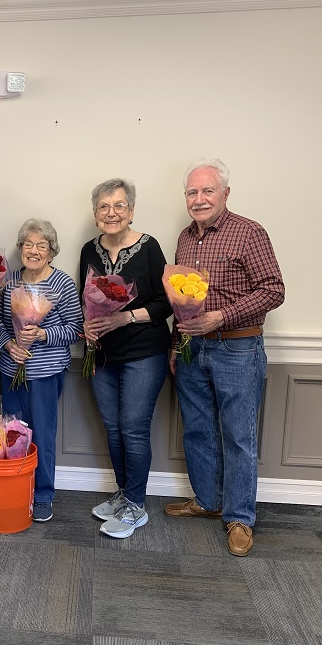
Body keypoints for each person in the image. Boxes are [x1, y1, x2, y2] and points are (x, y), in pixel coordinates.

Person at [164, 159, 284, 556]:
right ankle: (207, 501)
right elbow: (179, 300)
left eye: (207, 191)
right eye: (192, 193)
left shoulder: (249, 232)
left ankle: (239, 518)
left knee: (238, 435)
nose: (199, 199)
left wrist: (222, 315)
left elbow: (274, 290)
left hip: (238, 346)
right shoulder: (184, 237)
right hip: (191, 349)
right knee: (198, 429)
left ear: (225, 194)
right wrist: (174, 345)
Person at [80, 178, 172, 539]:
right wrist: (88, 328)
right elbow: (85, 294)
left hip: (143, 352)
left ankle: (136, 504)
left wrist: (125, 316)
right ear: (95, 213)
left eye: (119, 205)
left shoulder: (149, 248)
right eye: (104, 206)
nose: (112, 213)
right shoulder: (90, 248)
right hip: (102, 353)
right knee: (114, 427)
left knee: (134, 428)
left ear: (131, 210)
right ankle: (122, 492)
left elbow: (166, 303)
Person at [0, 219, 82, 522]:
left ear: (51, 251)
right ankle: (17, 485)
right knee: (13, 434)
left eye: (41, 245)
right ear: (20, 249)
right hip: (11, 369)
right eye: (28, 244)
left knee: (42, 434)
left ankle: (43, 494)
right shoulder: (7, 281)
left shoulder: (62, 283)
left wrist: (43, 335)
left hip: (46, 373)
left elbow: (76, 329)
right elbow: (0, 325)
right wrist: (10, 346)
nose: (33, 251)